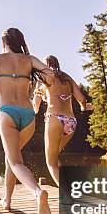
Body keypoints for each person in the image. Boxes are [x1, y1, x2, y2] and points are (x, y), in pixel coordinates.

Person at [0, 27, 53, 214]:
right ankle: (6, 200)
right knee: (12, 158)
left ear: (4, 43)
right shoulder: (29, 59)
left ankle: (37, 192)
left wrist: (3, 80)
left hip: (7, 113)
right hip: (28, 115)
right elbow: (50, 76)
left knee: (16, 162)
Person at [33, 55, 92, 186]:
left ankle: (68, 194)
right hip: (71, 122)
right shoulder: (67, 77)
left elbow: (36, 105)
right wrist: (83, 107)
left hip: (54, 119)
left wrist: (34, 109)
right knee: (55, 156)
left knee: (51, 162)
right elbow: (82, 99)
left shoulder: (44, 76)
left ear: (45, 65)